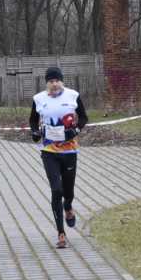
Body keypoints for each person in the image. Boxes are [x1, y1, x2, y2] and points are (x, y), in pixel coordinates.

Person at [29, 67, 88, 248]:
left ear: (62, 81)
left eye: (57, 81)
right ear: (46, 83)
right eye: (51, 81)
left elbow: (84, 118)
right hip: (49, 151)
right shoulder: (39, 99)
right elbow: (33, 120)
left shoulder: (73, 95)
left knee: (68, 191)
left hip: (69, 151)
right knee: (56, 190)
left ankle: (68, 207)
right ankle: (61, 234)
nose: (54, 84)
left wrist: (75, 131)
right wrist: (35, 132)